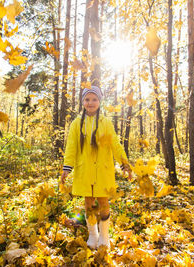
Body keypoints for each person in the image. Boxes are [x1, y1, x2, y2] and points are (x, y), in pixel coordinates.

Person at [60, 86, 132, 249]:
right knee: (89, 202)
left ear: (99, 102)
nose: (90, 102)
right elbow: (71, 147)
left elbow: (115, 144)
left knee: (103, 202)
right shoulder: (76, 124)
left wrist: (124, 163)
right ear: (82, 102)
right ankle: (93, 235)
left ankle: (104, 236)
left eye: (94, 99)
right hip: (84, 169)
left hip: (103, 170)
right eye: (87, 99)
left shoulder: (105, 123)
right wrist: (67, 168)